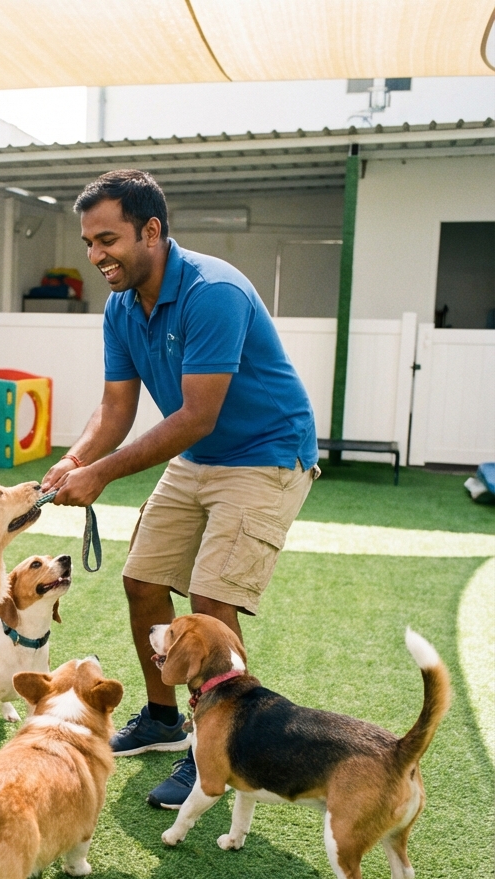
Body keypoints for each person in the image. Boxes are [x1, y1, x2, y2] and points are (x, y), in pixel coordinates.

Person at [41, 169, 319, 810]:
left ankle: (219, 751)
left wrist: (102, 474)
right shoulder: (119, 308)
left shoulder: (213, 291)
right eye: (88, 242)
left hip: (267, 454)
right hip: (200, 454)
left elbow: (198, 413)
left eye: (107, 239)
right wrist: (75, 459)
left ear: (152, 230)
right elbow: (116, 408)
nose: (95, 257)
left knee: (209, 602)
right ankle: (165, 719)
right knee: (142, 582)